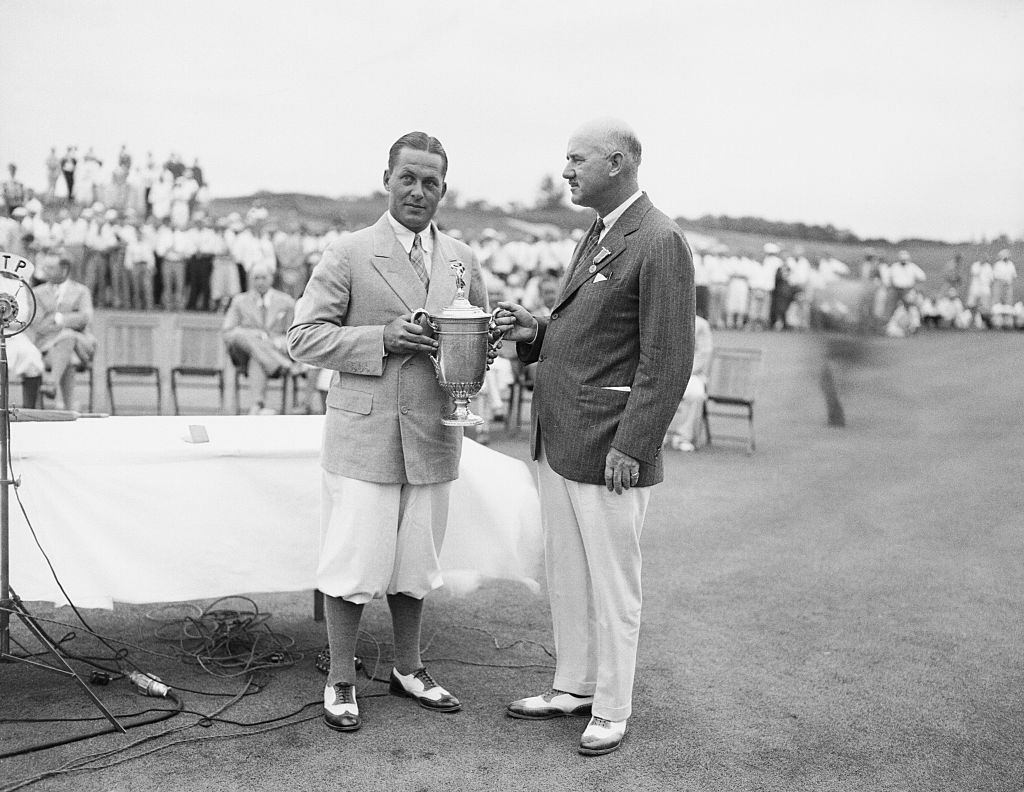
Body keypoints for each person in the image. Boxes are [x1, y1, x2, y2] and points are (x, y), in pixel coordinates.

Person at [495, 119, 694, 756]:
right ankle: (574, 685)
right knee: (568, 574)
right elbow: (589, 334)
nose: (566, 171)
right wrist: (537, 330)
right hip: (561, 437)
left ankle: (612, 706)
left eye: (576, 159)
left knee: (613, 583)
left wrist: (632, 446)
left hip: (610, 443)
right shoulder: (601, 231)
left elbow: (667, 359)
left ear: (617, 163)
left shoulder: (658, 239)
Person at [288, 131, 488, 734]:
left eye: (431, 182)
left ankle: (409, 667)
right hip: (366, 433)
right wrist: (382, 338)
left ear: (443, 189)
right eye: (409, 178)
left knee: (415, 560)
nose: (419, 192)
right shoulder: (348, 252)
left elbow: (473, 338)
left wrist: (486, 345)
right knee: (354, 560)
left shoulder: (461, 259)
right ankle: (341, 677)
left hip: (433, 432)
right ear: (387, 179)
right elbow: (303, 338)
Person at [222, 262, 299, 414]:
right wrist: (253, 335)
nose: (260, 282)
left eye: (263, 277)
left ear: (271, 278)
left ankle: (257, 406)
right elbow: (227, 332)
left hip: (272, 351)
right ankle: (282, 364)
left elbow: (295, 334)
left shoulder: (286, 302)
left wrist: (278, 341)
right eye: (256, 278)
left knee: (256, 357)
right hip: (243, 355)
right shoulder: (239, 301)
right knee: (239, 334)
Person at [31, 255, 97, 410]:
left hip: (82, 346)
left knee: (68, 340)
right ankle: (69, 408)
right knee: (69, 348)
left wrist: (58, 319)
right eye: (44, 267)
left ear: (64, 269)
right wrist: (71, 322)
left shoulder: (81, 291)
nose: (44, 271)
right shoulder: (37, 293)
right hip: (47, 348)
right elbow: (37, 324)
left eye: (50, 268)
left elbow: (86, 318)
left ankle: (52, 384)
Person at [665, 314, 712, 451]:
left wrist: (681, 372)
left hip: (693, 375)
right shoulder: (664, 320)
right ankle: (657, 438)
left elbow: (703, 354)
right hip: (666, 374)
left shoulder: (701, 324)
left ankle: (683, 437)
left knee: (696, 393)